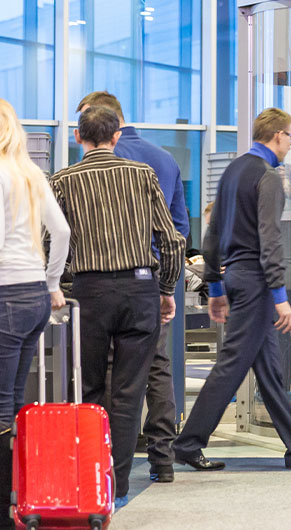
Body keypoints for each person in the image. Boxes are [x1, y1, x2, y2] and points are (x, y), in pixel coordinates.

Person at [172, 108, 291, 470]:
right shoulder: (268, 177)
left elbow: (212, 231)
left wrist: (214, 285)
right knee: (230, 366)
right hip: (257, 283)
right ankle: (188, 443)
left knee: (270, 371)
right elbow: (270, 239)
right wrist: (279, 298)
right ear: (277, 135)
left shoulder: (234, 171)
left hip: (235, 278)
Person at [49, 106, 185, 509]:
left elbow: (50, 240)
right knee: (129, 392)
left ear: (78, 136)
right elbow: (173, 240)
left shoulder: (62, 181)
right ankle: (118, 485)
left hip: (88, 294)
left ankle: (92, 481)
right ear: (116, 136)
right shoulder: (142, 175)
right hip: (140, 289)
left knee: (89, 389)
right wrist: (165, 289)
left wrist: (57, 282)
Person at [0, 100, 70, 530]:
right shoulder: (29, 173)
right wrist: (51, 281)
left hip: (5, 293)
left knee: (0, 404)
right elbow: (60, 231)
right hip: (33, 296)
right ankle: (17, 501)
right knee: (12, 402)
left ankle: (2, 516)